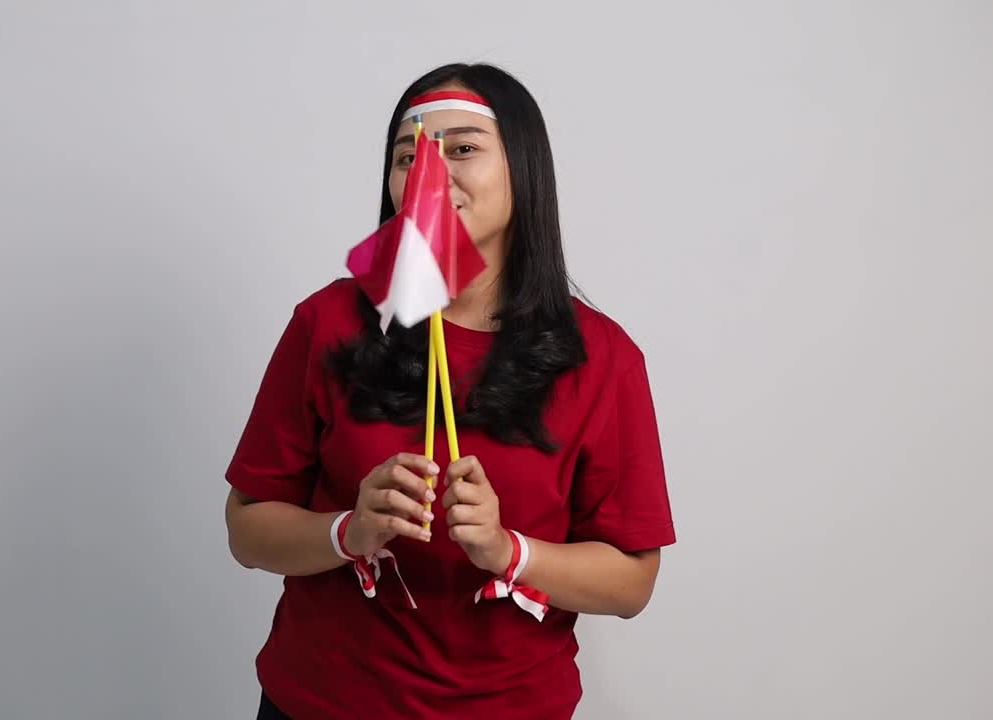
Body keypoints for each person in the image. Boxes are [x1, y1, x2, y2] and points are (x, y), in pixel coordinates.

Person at [224, 62, 676, 720]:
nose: (429, 174)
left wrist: (505, 548)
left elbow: (632, 583)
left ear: (522, 167)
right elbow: (246, 529)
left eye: (463, 148)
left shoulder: (603, 358)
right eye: (408, 156)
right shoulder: (326, 323)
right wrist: (347, 530)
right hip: (317, 702)